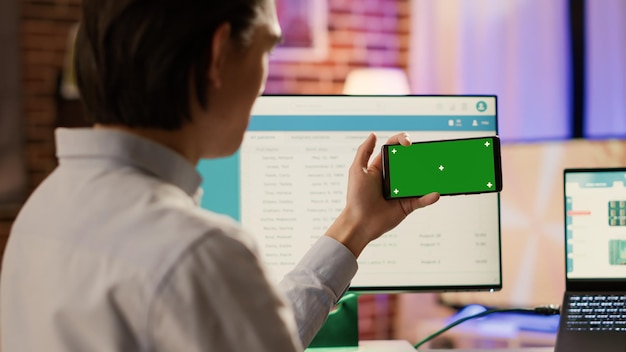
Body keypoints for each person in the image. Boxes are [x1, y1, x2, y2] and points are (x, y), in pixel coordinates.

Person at [0, 0, 440, 351]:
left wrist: (357, 225)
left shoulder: (41, 210)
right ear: (218, 54)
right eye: (267, 48)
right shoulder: (197, 252)